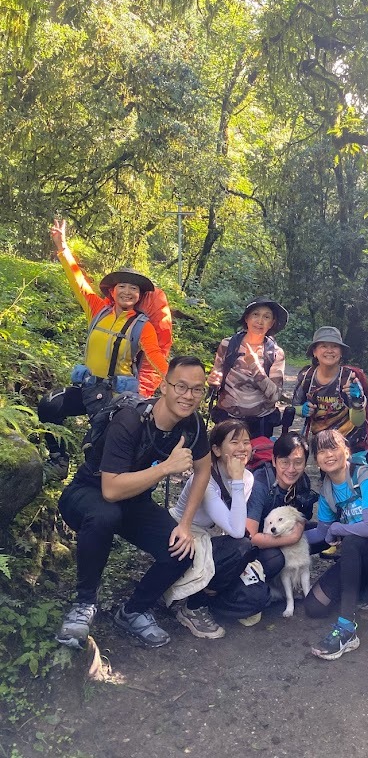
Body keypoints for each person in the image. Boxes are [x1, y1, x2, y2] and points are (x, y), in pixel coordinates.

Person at [56, 356, 210, 649]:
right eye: (181, 386)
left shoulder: (193, 425)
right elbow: (111, 490)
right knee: (105, 515)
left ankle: (133, 610)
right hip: (87, 493)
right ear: (164, 386)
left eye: (197, 389)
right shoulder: (131, 420)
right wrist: (166, 468)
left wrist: (186, 525)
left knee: (181, 550)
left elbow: (204, 470)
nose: (188, 396)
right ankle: (84, 605)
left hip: (134, 500)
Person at [39, 218, 169, 480]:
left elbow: (156, 356)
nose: (128, 292)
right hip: (87, 387)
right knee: (49, 405)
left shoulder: (142, 326)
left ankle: (97, 486)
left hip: (115, 397)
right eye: (123, 286)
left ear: (139, 296)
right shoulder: (97, 310)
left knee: (96, 446)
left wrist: (173, 381)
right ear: (113, 289)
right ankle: (59, 458)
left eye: (134, 288)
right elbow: (78, 281)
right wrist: (62, 248)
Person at [304, 429, 368, 660]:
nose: (328, 455)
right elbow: (321, 533)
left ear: (347, 452)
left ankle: (346, 628)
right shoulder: (327, 492)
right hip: (362, 556)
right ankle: (361, 587)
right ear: (316, 460)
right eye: (321, 451)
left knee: (351, 541)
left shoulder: (364, 477)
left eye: (333, 448)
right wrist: (283, 541)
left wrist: (337, 529)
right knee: (314, 607)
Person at [169, 418, 257, 639]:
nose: (242, 448)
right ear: (216, 450)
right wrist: (236, 481)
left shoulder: (247, 478)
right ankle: (192, 606)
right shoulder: (205, 479)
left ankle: (206, 595)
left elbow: (232, 525)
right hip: (182, 535)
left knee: (245, 548)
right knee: (240, 545)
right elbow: (236, 531)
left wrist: (238, 480)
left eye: (246, 442)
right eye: (234, 442)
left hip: (209, 535)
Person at [208, 297, 288, 438]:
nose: (260, 321)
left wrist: (254, 366)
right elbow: (217, 374)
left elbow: (275, 395)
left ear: (272, 323)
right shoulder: (228, 345)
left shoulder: (276, 353)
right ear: (247, 318)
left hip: (261, 423)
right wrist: (214, 380)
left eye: (266, 317)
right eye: (255, 314)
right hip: (227, 419)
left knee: (259, 460)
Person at [246, 432, 319, 581]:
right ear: (274, 461)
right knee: (276, 558)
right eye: (284, 462)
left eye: (298, 462)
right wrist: (293, 538)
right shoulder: (260, 484)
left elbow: (302, 517)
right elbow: (251, 537)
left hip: (285, 532)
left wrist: (298, 530)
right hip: (260, 543)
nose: (291, 469)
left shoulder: (302, 481)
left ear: (305, 463)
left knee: (324, 534)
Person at [293, 326, 368, 452]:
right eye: (324, 346)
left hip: (351, 444)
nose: (329, 351)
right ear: (314, 352)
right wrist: (303, 410)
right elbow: (295, 406)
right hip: (322, 444)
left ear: (341, 352)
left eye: (334, 346)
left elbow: (358, 421)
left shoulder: (350, 378)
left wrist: (357, 401)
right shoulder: (307, 376)